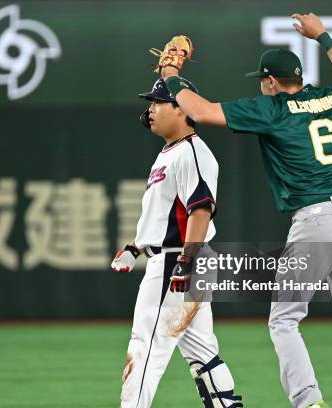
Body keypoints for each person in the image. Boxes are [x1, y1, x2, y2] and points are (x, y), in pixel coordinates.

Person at [153, 13, 332, 408]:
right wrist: (322, 36)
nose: (261, 84)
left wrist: (171, 75)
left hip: (315, 223)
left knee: (284, 319)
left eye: (262, 78)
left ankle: (308, 402)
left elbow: (201, 111)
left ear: (272, 81)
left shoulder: (274, 109)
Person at [111, 78, 242, 408]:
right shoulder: (170, 153)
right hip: (176, 259)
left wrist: (187, 259)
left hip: (177, 262)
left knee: (145, 348)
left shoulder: (193, 153)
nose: (150, 109)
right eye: (150, 103)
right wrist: (136, 246)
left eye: (157, 102)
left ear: (182, 109)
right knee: (203, 355)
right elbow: (166, 215)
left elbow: (201, 209)